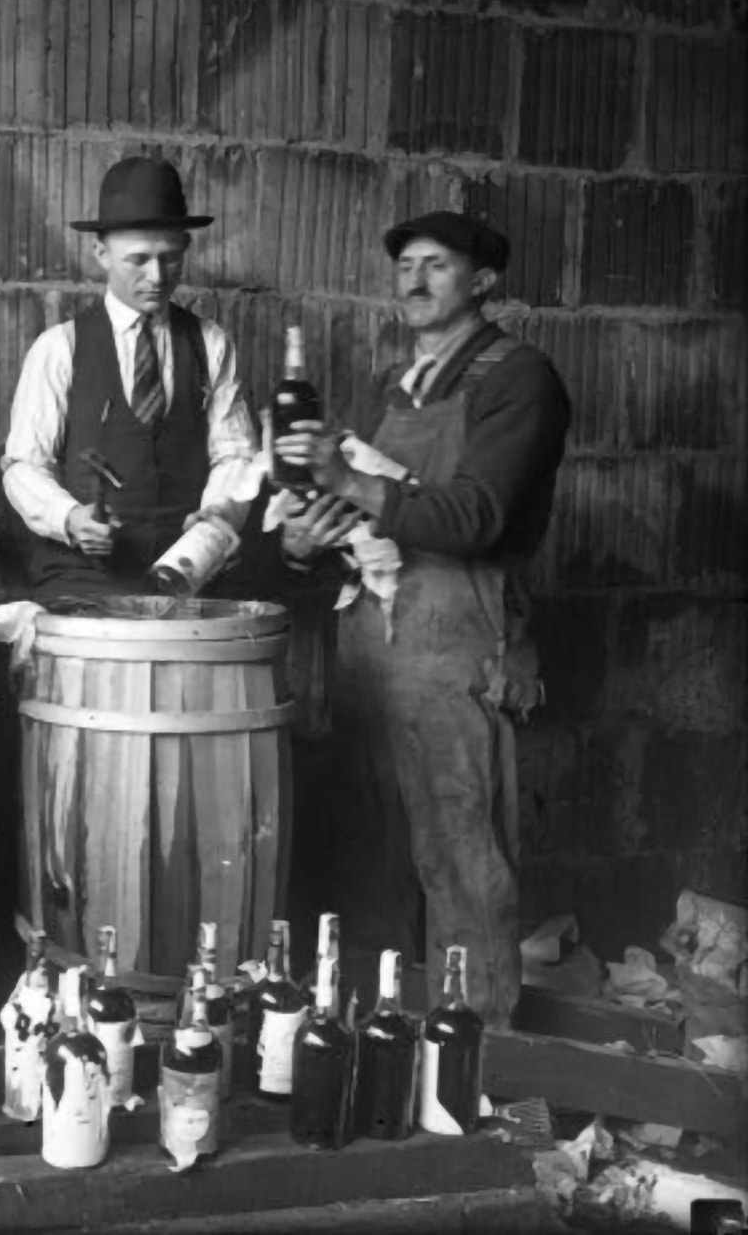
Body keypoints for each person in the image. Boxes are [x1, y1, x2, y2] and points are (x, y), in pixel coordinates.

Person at [274, 211, 571, 1028]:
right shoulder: (390, 385)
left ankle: (478, 1057)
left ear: (483, 281)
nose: (414, 280)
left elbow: (476, 516)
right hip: (373, 634)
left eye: (436, 265)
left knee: (459, 851)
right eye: (405, 265)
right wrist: (311, 536)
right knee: (372, 845)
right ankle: (383, 1034)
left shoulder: (519, 379)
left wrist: (350, 476)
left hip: (457, 636)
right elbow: (371, 514)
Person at [0, 157, 259, 601]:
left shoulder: (210, 344)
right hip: (84, 580)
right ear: (101, 254)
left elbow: (235, 455)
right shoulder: (59, 348)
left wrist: (218, 514)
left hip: (184, 576)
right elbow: (23, 465)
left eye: (170, 259)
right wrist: (69, 518)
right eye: (138, 261)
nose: (157, 277)